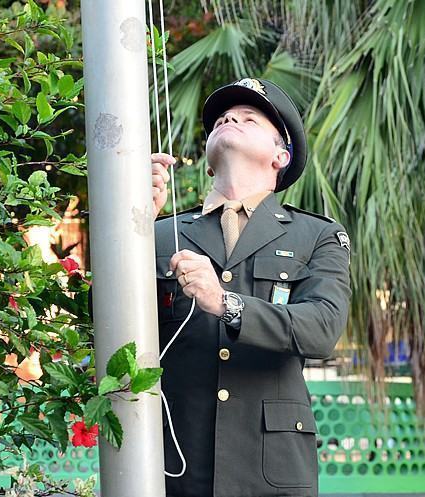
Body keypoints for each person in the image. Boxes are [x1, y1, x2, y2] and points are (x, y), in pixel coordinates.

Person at [150, 78, 351, 497]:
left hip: (271, 470)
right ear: (207, 161)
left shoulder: (317, 235)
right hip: (175, 465)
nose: (229, 120)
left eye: (248, 118)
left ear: (282, 155)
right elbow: (104, 327)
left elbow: (322, 328)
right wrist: (129, 224)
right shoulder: (158, 232)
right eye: (222, 119)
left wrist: (227, 304)